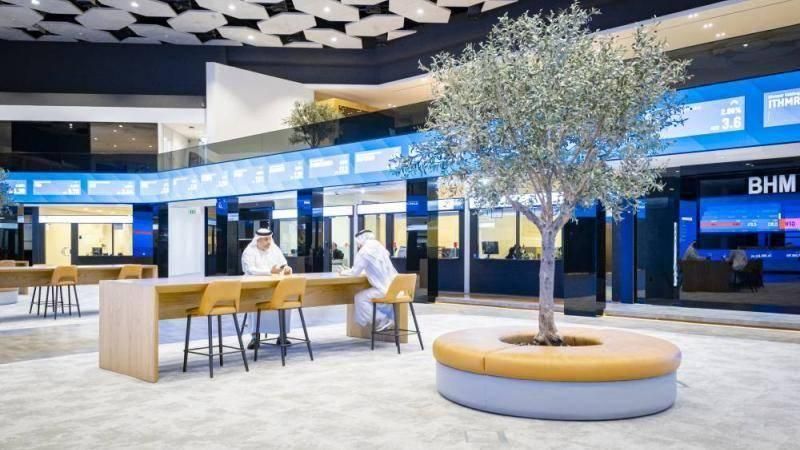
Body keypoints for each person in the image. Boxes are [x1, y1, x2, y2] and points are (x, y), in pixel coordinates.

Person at [240, 228, 292, 348]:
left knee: (285, 300)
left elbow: (283, 264)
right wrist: (269, 271)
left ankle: (282, 335)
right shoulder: (249, 251)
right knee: (254, 303)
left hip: (275, 286)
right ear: (257, 240)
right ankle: (255, 337)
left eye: (269, 239)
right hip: (255, 287)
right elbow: (250, 270)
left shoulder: (274, 249)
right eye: (265, 239)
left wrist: (286, 269)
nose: (268, 242)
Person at [339, 229, 396, 331]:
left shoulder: (364, 251)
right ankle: (384, 319)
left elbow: (355, 273)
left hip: (382, 290)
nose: (358, 245)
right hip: (393, 289)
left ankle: (383, 319)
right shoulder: (379, 247)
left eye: (357, 242)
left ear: (361, 239)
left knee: (359, 298)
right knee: (363, 296)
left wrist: (343, 272)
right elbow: (375, 267)